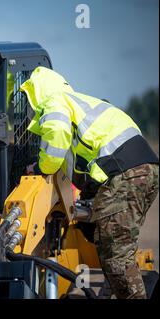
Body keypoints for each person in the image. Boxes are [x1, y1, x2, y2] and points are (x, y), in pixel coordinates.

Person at [22, 66, 159, 299]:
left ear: (37, 91)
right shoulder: (81, 103)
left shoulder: (55, 102)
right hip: (143, 170)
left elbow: (56, 137)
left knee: (117, 256)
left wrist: (41, 167)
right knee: (109, 245)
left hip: (125, 173)